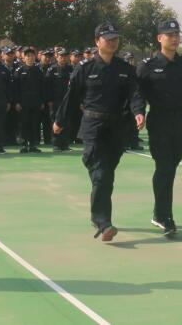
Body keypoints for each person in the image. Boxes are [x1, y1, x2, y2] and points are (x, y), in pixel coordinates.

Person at [53, 22, 140, 241]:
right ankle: (103, 222)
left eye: (115, 38)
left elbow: (135, 94)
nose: (112, 42)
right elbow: (71, 97)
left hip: (116, 129)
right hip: (93, 127)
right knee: (101, 174)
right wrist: (60, 121)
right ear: (97, 42)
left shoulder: (125, 69)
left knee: (106, 176)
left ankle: (99, 217)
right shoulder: (85, 68)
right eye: (107, 38)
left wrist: (139, 112)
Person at [132, 20, 182, 236]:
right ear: (159, 38)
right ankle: (165, 216)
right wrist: (139, 111)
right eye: (169, 35)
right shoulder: (147, 65)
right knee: (164, 167)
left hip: (180, 121)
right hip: (159, 120)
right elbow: (137, 92)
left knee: (170, 167)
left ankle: (159, 212)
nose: (174, 38)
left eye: (176, 35)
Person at [14, 47, 46, 153]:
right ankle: (24, 144)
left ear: (35, 57)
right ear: (24, 58)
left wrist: (42, 101)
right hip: (23, 102)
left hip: (35, 101)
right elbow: (15, 88)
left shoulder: (38, 70)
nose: (30, 58)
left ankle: (33, 145)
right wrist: (17, 102)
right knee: (24, 123)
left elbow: (42, 87)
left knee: (34, 123)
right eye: (27, 56)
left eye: (32, 56)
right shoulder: (19, 70)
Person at [48, 48, 75, 151]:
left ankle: (65, 143)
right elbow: (48, 86)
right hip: (55, 100)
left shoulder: (71, 69)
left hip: (68, 100)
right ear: (57, 57)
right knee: (55, 120)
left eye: (65, 56)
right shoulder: (52, 69)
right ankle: (56, 143)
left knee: (67, 121)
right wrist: (49, 100)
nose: (63, 58)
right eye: (61, 56)